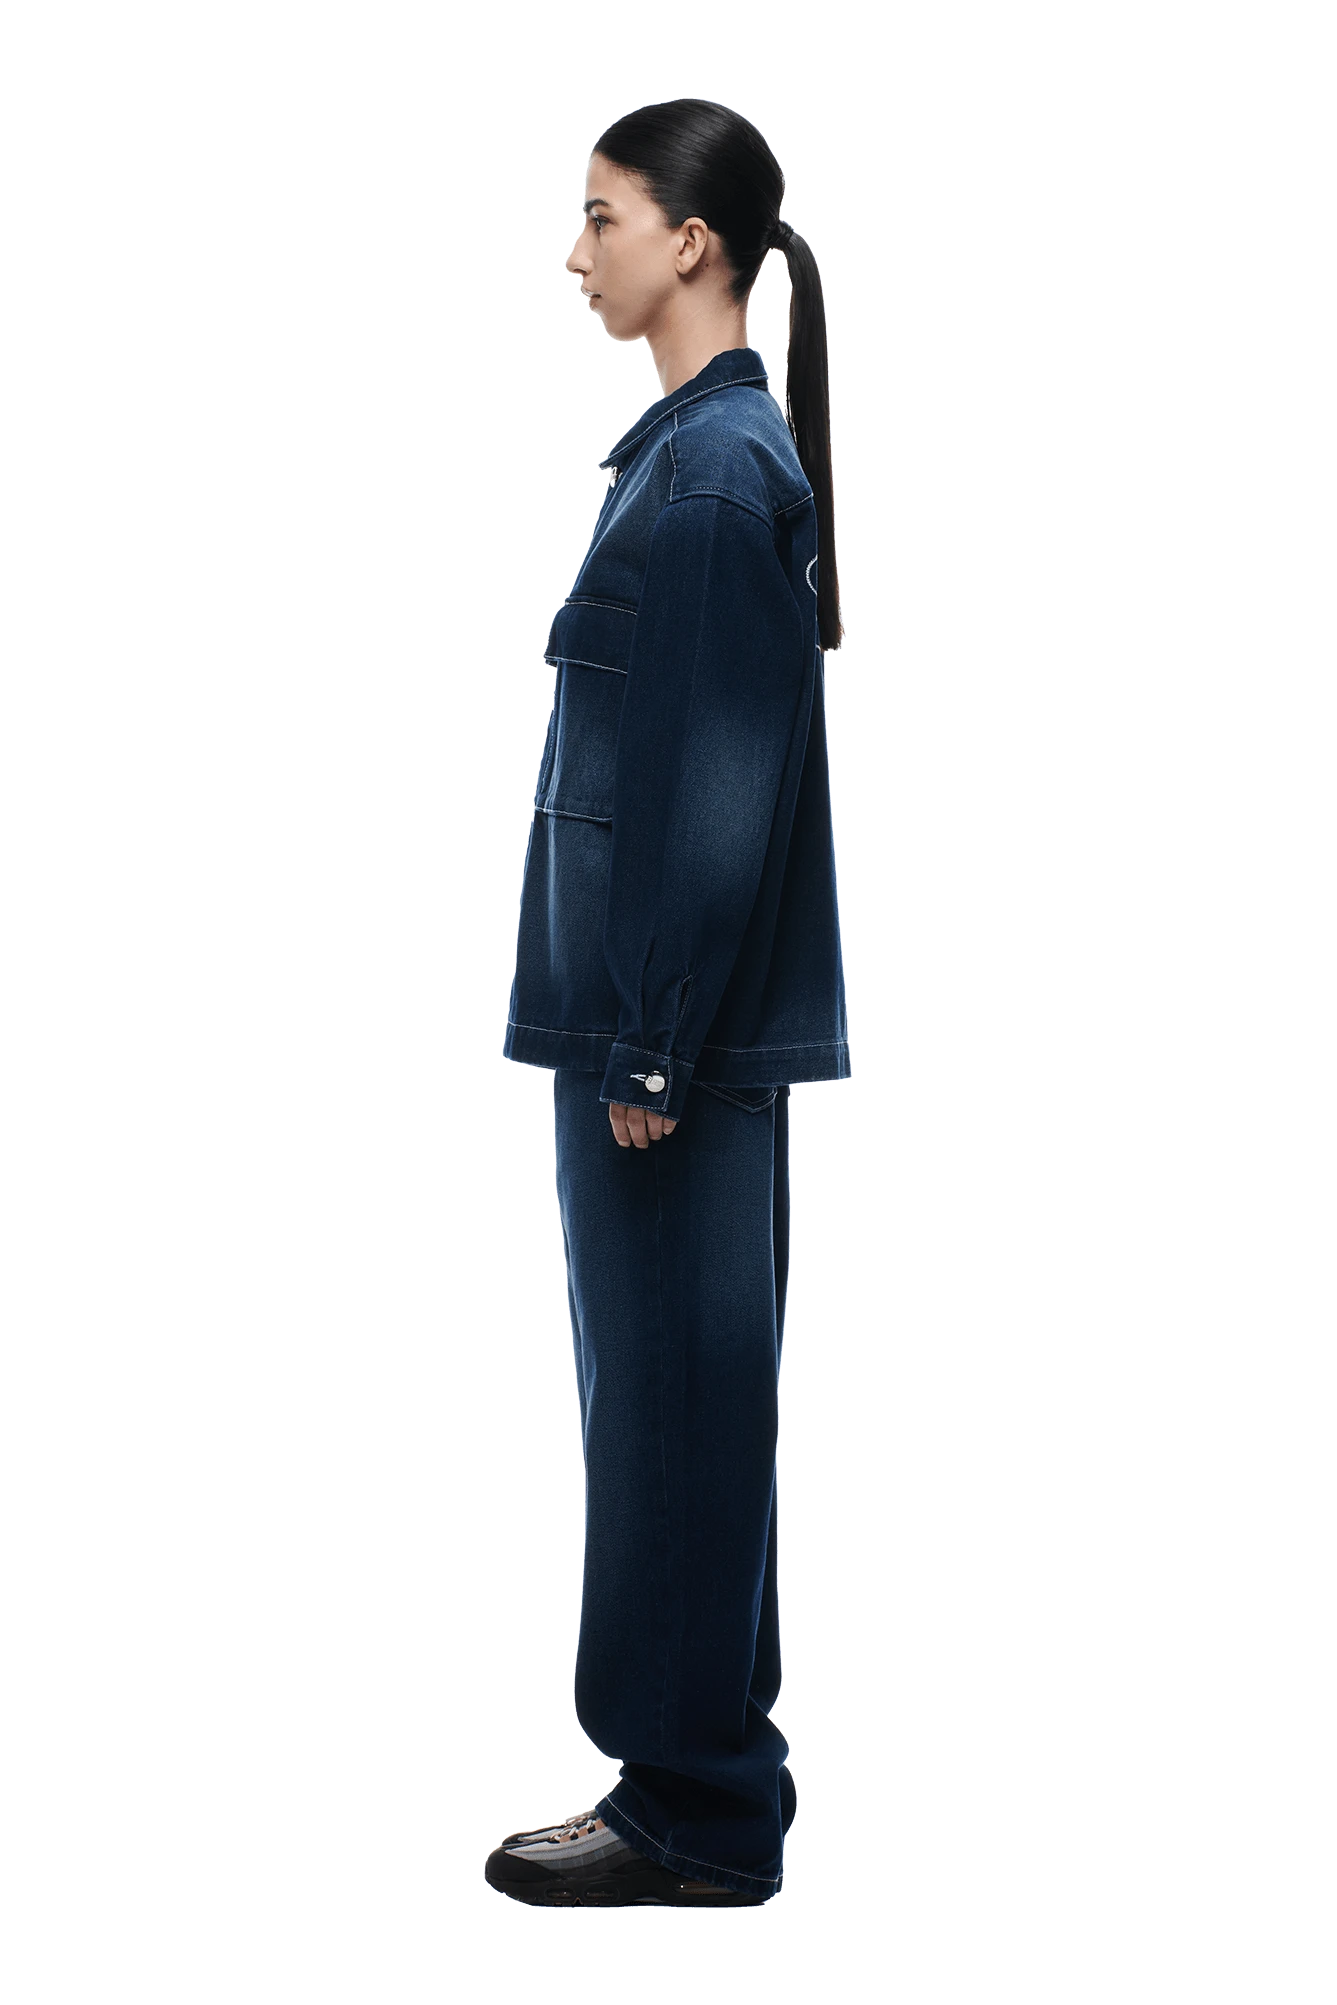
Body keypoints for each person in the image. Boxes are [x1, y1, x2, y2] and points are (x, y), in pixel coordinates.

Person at [490, 98, 849, 1912]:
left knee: (677, 1415)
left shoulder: (712, 476)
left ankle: (692, 1811)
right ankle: (693, 1791)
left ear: (690, 242)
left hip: (664, 1043)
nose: (580, 250)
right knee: (671, 1409)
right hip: (656, 1030)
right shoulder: (690, 455)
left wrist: (648, 1034)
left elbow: (714, 783)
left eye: (602, 216)